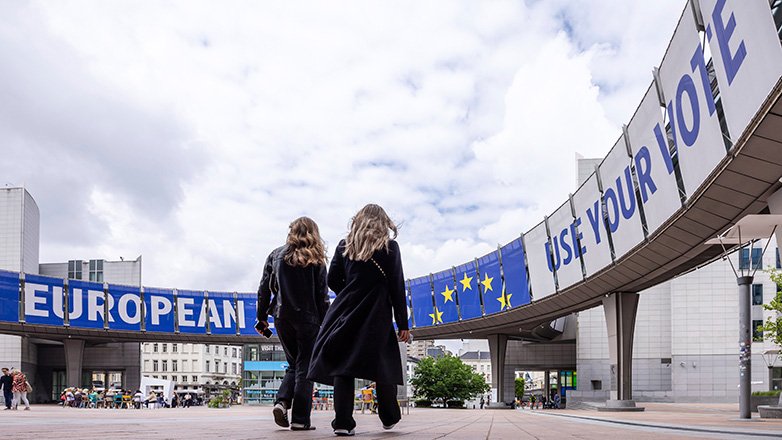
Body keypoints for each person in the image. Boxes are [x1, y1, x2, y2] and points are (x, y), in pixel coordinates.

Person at [308, 204, 410, 437]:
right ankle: (389, 417)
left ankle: (342, 423)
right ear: (384, 222)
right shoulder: (390, 247)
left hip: (345, 312)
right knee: (382, 363)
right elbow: (397, 285)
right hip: (377, 314)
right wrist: (402, 323)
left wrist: (352, 291)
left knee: (343, 367)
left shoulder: (344, 246)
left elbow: (333, 280)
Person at [257, 216, 330, 431]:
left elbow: (264, 288)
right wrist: (327, 324)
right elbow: (322, 296)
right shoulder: (316, 258)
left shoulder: (275, 255)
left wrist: (262, 317)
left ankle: (282, 402)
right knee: (305, 367)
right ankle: (300, 419)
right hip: (309, 319)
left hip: (281, 317)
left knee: (293, 363)